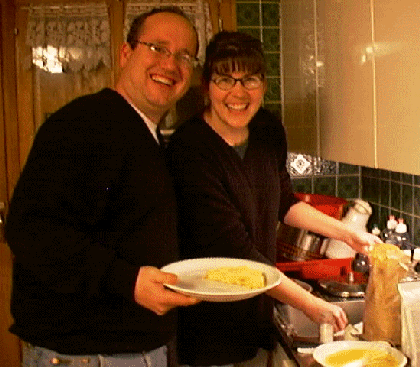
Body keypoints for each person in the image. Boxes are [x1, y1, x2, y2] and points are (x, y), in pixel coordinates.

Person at [166, 31, 382, 367]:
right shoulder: (189, 149)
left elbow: (284, 201)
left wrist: (346, 233)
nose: (238, 92)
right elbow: (234, 250)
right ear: (207, 84)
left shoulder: (266, 129)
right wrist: (308, 304)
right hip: (207, 325)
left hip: (257, 312)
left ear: (263, 84)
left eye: (249, 79)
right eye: (225, 79)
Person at [5, 7, 200, 367]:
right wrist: (128, 282)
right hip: (88, 356)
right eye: (157, 48)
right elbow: (31, 229)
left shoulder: (145, 134)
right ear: (126, 54)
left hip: (125, 351)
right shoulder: (86, 124)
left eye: (184, 56)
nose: (171, 64)